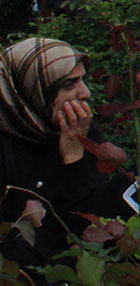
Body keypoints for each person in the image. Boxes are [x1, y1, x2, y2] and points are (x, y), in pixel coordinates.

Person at [0, 38, 127, 270]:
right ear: (31, 90)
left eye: (83, 80)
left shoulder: (81, 131)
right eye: (69, 84)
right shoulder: (6, 144)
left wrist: (74, 159)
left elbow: (97, 227)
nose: (85, 93)